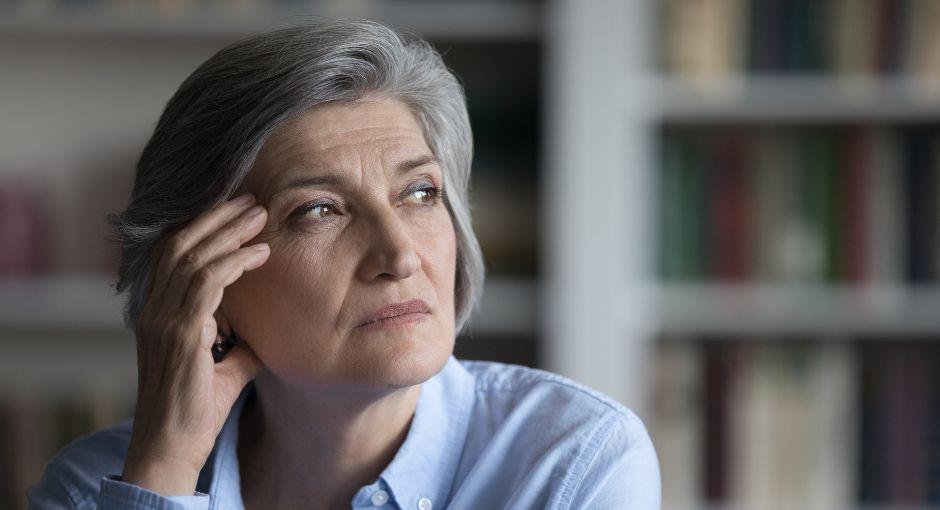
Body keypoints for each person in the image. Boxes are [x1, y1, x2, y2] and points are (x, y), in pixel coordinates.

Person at [26, 18, 661, 509]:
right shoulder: (99, 487)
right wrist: (164, 467)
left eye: (420, 194)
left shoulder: (570, 460)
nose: (399, 255)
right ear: (201, 273)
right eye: (320, 210)